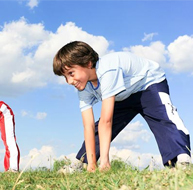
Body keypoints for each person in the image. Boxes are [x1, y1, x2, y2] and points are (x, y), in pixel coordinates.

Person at [53, 41, 191, 172]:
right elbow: (88, 126)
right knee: (98, 128)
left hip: (148, 84)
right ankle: (83, 163)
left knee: (163, 117)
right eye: (65, 77)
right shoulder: (83, 88)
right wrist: (93, 163)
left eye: (71, 73)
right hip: (122, 95)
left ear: (88, 63)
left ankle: (180, 159)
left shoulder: (107, 71)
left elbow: (106, 121)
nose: (69, 81)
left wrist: (105, 162)